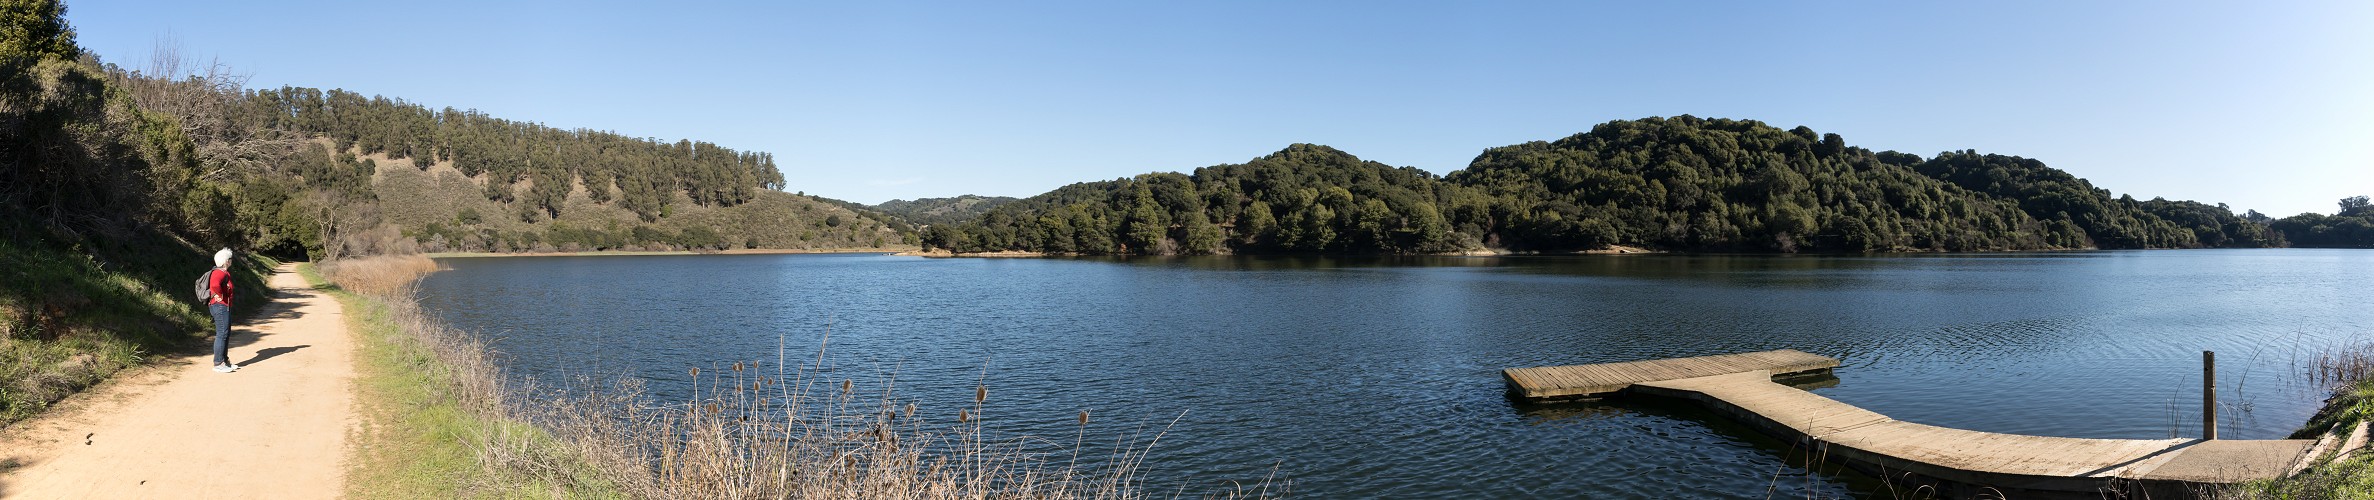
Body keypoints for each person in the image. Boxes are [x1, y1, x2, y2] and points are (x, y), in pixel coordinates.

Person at [208, 248, 238, 373]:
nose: (231, 261)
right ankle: (218, 363)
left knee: (225, 333)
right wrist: (220, 296)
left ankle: (224, 361)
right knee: (222, 333)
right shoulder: (219, 273)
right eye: (230, 259)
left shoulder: (224, 272)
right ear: (226, 261)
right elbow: (215, 285)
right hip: (219, 306)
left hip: (224, 306)